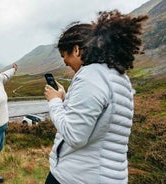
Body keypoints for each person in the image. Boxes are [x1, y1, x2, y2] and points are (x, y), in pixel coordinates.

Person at [44, 10, 148, 184]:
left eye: (65, 56)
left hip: (76, 177)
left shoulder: (90, 76)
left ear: (76, 50)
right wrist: (65, 100)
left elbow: (74, 136)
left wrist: (54, 102)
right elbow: (99, 121)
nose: (65, 63)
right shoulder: (118, 77)